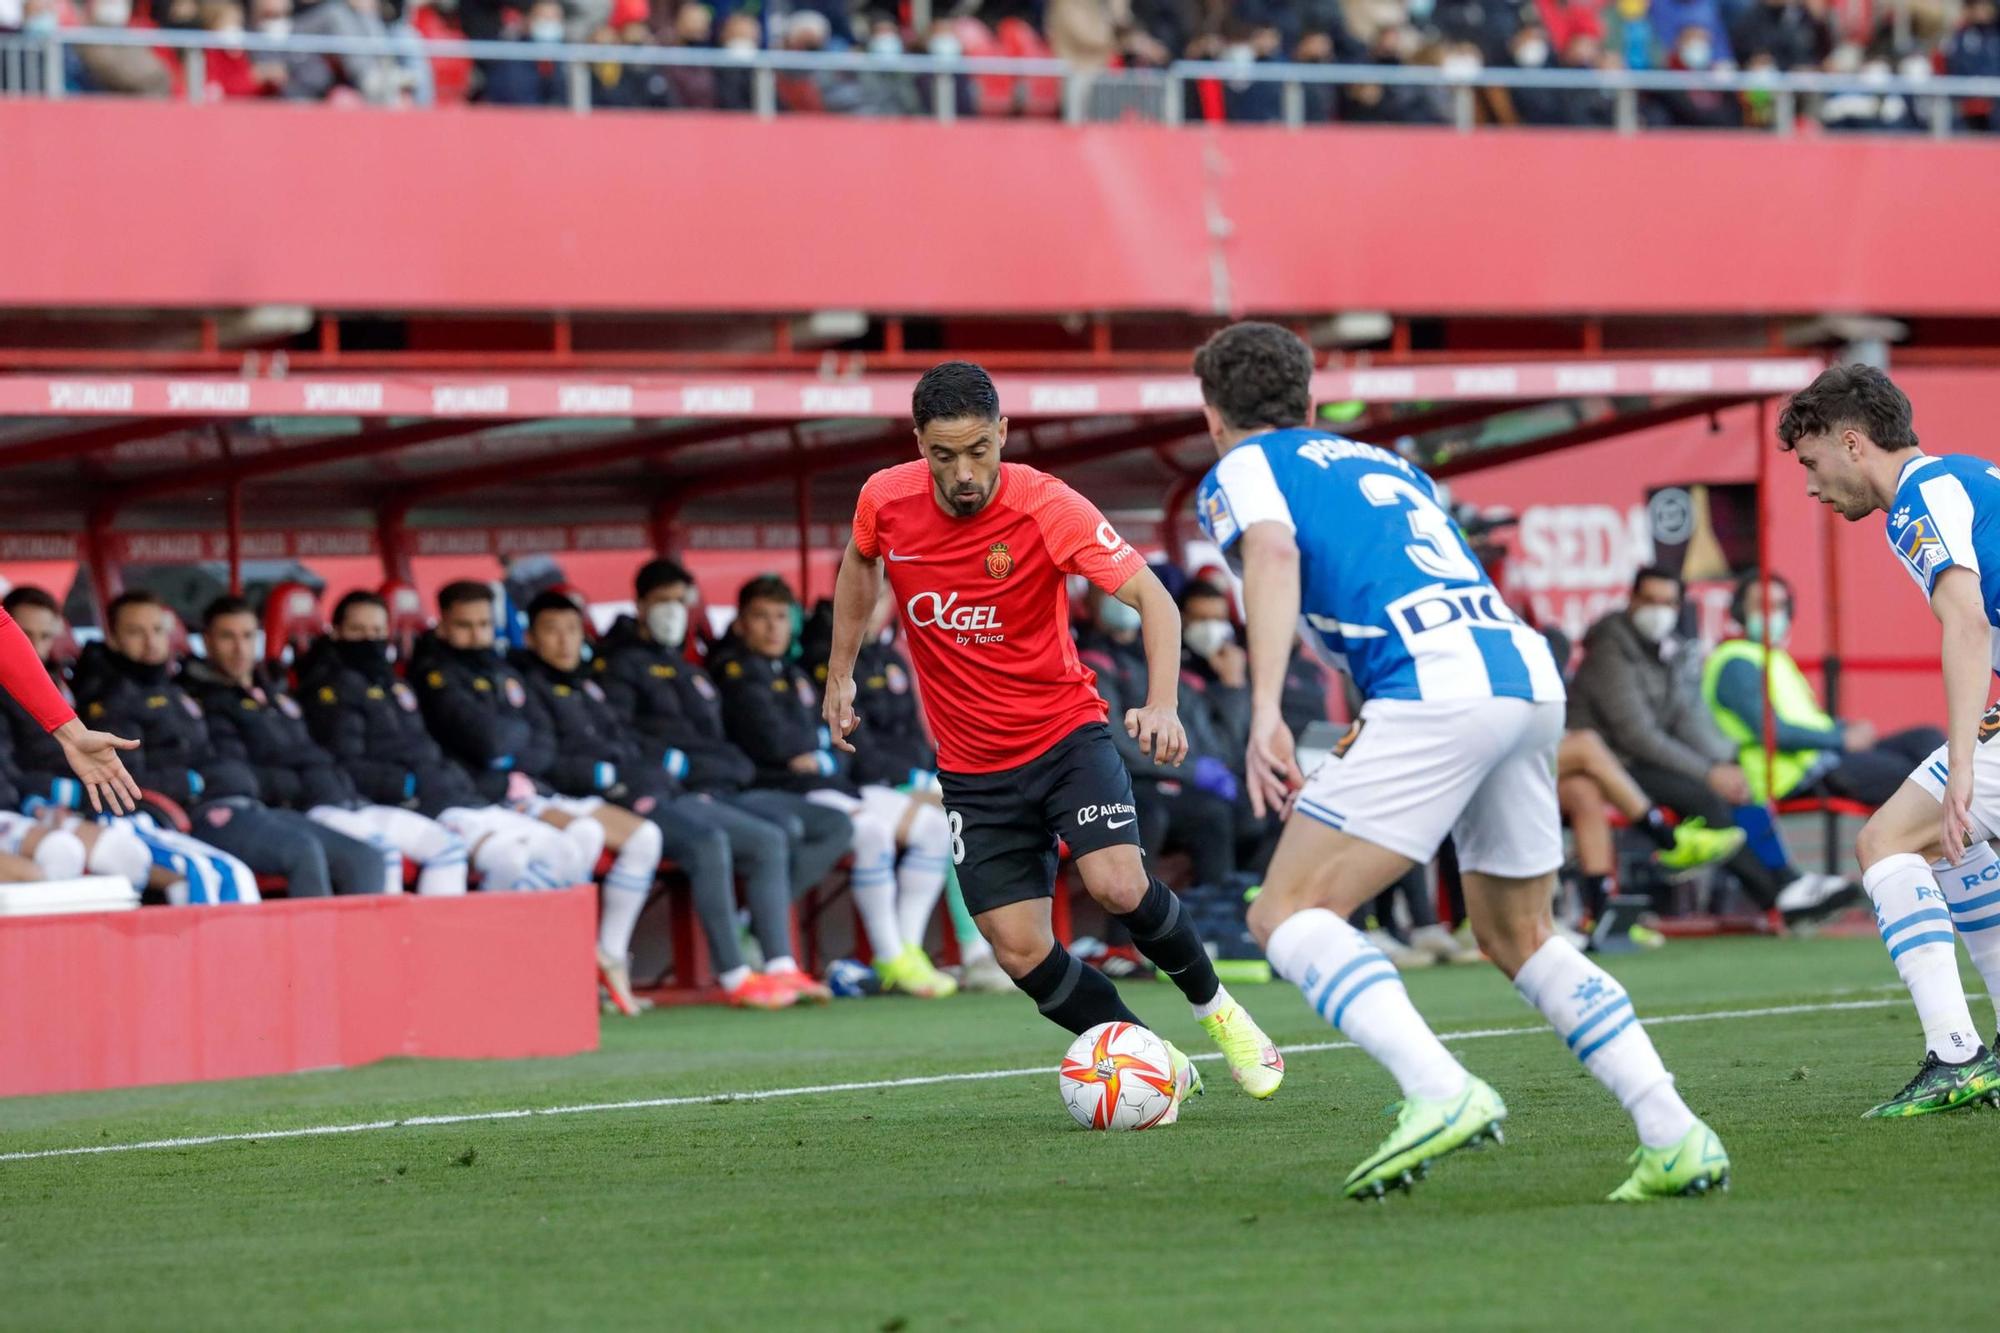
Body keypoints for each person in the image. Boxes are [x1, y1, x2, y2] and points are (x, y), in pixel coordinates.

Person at [1192, 320, 1727, 1202]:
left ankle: (1438, 1087)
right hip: (1521, 674)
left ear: (1212, 413)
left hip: (1434, 684)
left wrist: (1263, 712)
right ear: (1312, 401)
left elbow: (1275, 551)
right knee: (1520, 935)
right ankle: (1674, 1131)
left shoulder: (1244, 468)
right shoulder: (1386, 464)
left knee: (1285, 912)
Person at [822, 359, 1285, 1113]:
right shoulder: (885, 498)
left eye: (979, 450)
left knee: (1118, 884)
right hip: (973, 770)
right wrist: (840, 673)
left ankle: (1222, 1014)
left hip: (1065, 737)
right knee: (1018, 949)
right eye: (943, 456)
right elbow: (859, 563)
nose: (964, 473)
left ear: (1003, 433)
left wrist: (1161, 703)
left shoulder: (1047, 505)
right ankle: (1155, 1057)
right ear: (918, 445)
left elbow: (1155, 600)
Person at [1777, 363, 2000, 1115]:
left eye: (1811, 463)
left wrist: (1963, 759)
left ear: (1851, 442)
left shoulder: (1917, 501)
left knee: (1885, 844)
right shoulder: (1961, 479)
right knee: (1946, 841)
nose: (1810, 485)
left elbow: (1966, 623)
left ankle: (1956, 1054)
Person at [513, 591, 823, 1010]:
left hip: (654, 788)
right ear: (530, 638)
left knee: (766, 839)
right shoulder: (530, 686)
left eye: (571, 630)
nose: (565, 641)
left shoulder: (588, 683)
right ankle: (733, 975)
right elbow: (542, 757)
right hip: (592, 800)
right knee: (707, 842)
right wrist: (611, 775)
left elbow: (627, 740)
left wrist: (658, 767)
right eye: (552, 631)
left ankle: (780, 966)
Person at [719, 574, 959, 998]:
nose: (774, 627)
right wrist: (814, 751)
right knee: (870, 830)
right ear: (741, 623)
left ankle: (907, 949)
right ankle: (888, 956)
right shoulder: (737, 672)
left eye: (780, 616)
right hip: (784, 793)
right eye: (761, 617)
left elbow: (821, 740)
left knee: (936, 828)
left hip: (835, 784)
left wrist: (817, 751)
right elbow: (778, 745)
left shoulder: (792, 672)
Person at [1568, 566, 1851, 921]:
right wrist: (1708, 773)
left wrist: (1725, 762)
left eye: (1668, 602)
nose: (1659, 610)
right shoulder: (1609, 651)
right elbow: (1637, 737)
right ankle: (1776, 896)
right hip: (1613, 764)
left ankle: (1787, 882)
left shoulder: (1668, 648)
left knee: (1737, 783)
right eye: (1651, 600)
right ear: (1632, 600)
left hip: (1644, 761)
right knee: (1707, 796)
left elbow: (1687, 717)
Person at [74, 590, 383, 901]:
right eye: (135, 632)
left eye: (157, 630)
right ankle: (318, 949)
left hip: (244, 804)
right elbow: (123, 780)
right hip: (194, 814)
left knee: (365, 857)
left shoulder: (175, 690)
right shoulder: (113, 701)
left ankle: (367, 950)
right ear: (113, 639)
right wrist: (194, 782)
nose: (151, 642)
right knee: (302, 850)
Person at [298, 591, 600, 898]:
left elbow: (536, 739)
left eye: (377, 631)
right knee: (490, 856)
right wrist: (408, 784)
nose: (369, 639)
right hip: (408, 802)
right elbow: (344, 762)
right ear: (336, 633)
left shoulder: (396, 684)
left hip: (459, 791)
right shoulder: (331, 689)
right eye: (358, 631)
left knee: (566, 849)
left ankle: (523, 942)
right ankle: (458, 944)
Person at [596, 559, 857, 910]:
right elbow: (774, 743)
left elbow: (837, 732)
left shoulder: (777, 673)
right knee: (785, 834)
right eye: (662, 601)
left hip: (740, 784)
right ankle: (753, 935)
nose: (673, 612)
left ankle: (763, 930)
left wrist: (823, 753)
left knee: (844, 826)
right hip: (719, 789)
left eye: (680, 601)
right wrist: (681, 766)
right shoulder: (725, 670)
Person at [183, 596, 470, 898]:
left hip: (340, 797)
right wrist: (305, 774)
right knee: (374, 854)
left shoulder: (275, 692)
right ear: (207, 641)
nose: (240, 648)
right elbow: (244, 773)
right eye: (228, 636)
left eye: (248, 636)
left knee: (435, 849)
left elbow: (309, 753)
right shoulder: (204, 700)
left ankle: (409, 943)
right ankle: (346, 943)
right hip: (291, 808)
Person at [803, 587, 1014, 993]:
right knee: (954, 820)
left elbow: (915, 737)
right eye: (866, 596)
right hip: (861, 787)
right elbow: (852, 747)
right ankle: (971, 952)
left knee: (983, 805)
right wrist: (917, 784)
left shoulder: (892, 658)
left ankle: (914, 950)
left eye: (881, 598)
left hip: (907, 781)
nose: (873, 606)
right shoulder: (827, 661)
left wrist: (926, 776)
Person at [1703, 571, 1944, 807]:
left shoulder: (1774, 659)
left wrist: (1845, 728)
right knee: (1912, 775)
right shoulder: (1736, 662)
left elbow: (1806, 720)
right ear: (1738, 611)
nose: (1771, 614)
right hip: (1795, 777)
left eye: (1779, 606)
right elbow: (1771, 732)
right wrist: (1841, 738)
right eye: (1761, 606)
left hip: (1824, 758)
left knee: (1927, 739)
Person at [0, 590, 141, 816]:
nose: (32, 646)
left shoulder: (65, 682)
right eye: (24, 634)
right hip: (26, 809)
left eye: (45, 635)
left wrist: (75, 736)